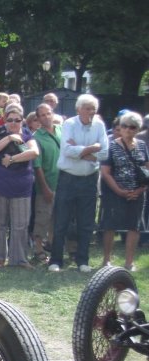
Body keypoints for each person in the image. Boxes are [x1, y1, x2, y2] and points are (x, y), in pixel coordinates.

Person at [47, 94, 109, 273]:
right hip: (68, 178)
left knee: (86, 222)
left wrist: (80, 150)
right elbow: (67, 150)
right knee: (61, 221)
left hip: (89, 179)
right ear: (79, 109)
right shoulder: (69, 124)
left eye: (93, 109)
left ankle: (82, 260)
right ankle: (56, 260)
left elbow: (104, 153)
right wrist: (91, 149)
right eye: (87, 108)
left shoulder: (99, 125)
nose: (91, 112)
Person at [0, 103, 40, 269]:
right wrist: (9, 138)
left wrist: (12, 159)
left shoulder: (27, 136)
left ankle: (19, 259)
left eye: (17, 120)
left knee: (20, 225)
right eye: (10, 120)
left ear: (23, 120)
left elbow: (34, 152)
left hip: (21, 187)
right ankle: (0, 257)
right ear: (5, 120)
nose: (14, 123)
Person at [99, 111, 147, 271]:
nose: (127, 129)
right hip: (114, 192)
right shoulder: (111, 146)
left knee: (134, 226)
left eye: (132, 127)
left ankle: (129, 262)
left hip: (137, 193)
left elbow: (147, 169)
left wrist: (140, 190)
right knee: (110, 225)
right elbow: (105, 172)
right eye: (124, 126)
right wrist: (119, 191)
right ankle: (106, 260)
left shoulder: (142, 145)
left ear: (137, 129)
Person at [32, 103, 61, 261]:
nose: (46, 117)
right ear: (38, 118)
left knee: (59, 218)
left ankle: (52, 245)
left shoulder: (62, 130)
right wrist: (45, 188)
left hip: (64, 183)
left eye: (48, 113)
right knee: (42, 218)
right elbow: (37, 166)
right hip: (47, 184)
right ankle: (38, 249)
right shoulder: (37, 137)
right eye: (42, 115)